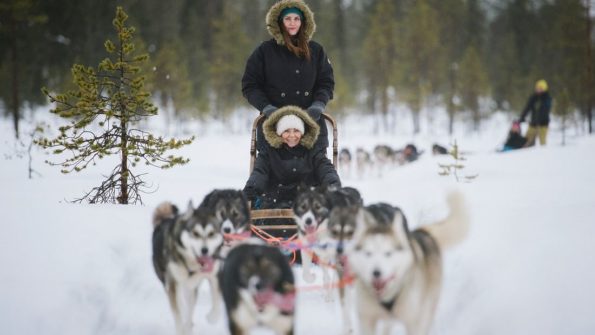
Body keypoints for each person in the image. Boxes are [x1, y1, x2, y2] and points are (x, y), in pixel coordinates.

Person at [242, 0, 334, 153]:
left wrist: (319, 104)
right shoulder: (264, 51)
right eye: (288, 19)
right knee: (270, 173)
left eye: (296, 19)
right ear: (279, 21)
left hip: (311, 125)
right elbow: (250, 86)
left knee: (320, 172)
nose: (292, 23)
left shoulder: (316, 51)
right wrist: (267, 107)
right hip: (273, 126)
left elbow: (326, 83)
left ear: (304, 22)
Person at [243, 106, 340, 210]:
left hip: (307, 202)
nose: (292, 135)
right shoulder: (268, 152)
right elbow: (259, 173)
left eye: (296, 130)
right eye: (286, 131)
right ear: (279, 133)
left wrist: (332, 184)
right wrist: (251, 188)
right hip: (274, 201)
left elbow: (325, 169)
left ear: (302, 133)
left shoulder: (313, 151)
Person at [519, 79, 552, 146]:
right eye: (537, 88)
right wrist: (522, 117)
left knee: (542, 142)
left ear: (544, 88)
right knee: (526, 140)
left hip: (543, 123)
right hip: (533, 122)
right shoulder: (533, 97)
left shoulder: (547, 98)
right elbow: (527, 108)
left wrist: (539, 120)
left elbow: (545, 110)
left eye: (540, 88)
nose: (538, 89)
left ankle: (543, 154)